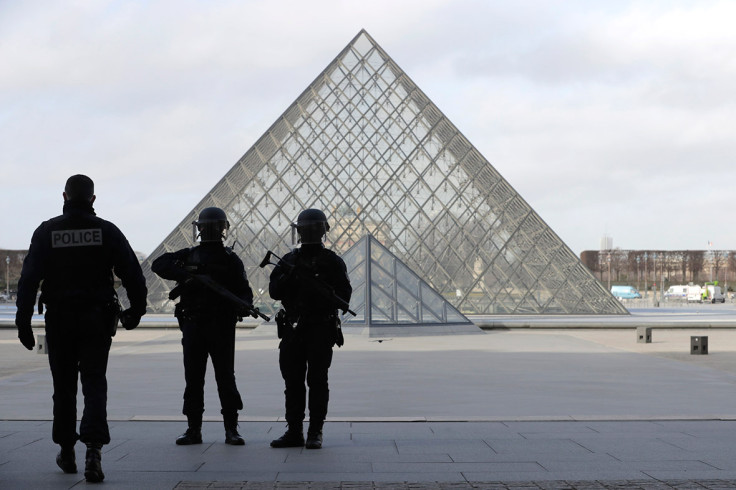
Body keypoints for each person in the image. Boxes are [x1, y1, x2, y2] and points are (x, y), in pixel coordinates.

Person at [15, 174, 147, 483]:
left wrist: (23, 322)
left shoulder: (47, 231)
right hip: (97, 319)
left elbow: (29, 280)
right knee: (94, 383)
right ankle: (94, 451)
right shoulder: (108, 231)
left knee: (63, 386)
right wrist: (135, 312)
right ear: (92, 199)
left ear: (64, 196)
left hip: (59, 319)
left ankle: (67, 450)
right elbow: (132, 274)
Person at [151, 207, 253, 446]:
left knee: (204, 378)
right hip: (206, 325)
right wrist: (187, 276)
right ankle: (220, 429)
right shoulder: (201, 257)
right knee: (214, 377)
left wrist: (244, 305)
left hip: (206, 324)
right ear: (223, 228)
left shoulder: (208, 257)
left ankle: (202, 429)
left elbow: (243, 292)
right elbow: (159, 264)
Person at [268, 208, 352, 449]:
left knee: (317, 380)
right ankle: (295, 430)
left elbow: (344, 298)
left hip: (319, 326)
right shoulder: (288, 261)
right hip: (294, 327)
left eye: (312, 229)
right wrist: (291, 278)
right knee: (293, 381)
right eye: (307, 229)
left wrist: (321, 291)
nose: (310, 233)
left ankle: (315, 430)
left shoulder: (332, 262)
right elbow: (275, 291)